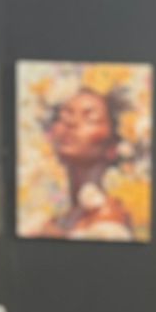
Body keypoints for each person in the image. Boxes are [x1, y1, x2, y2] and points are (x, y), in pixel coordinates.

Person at [35, 87, 134, 241]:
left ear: (112, 147)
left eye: (90, 119)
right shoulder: (58, 221)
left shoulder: (108, 223)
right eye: (64, 115)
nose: (71, 123)